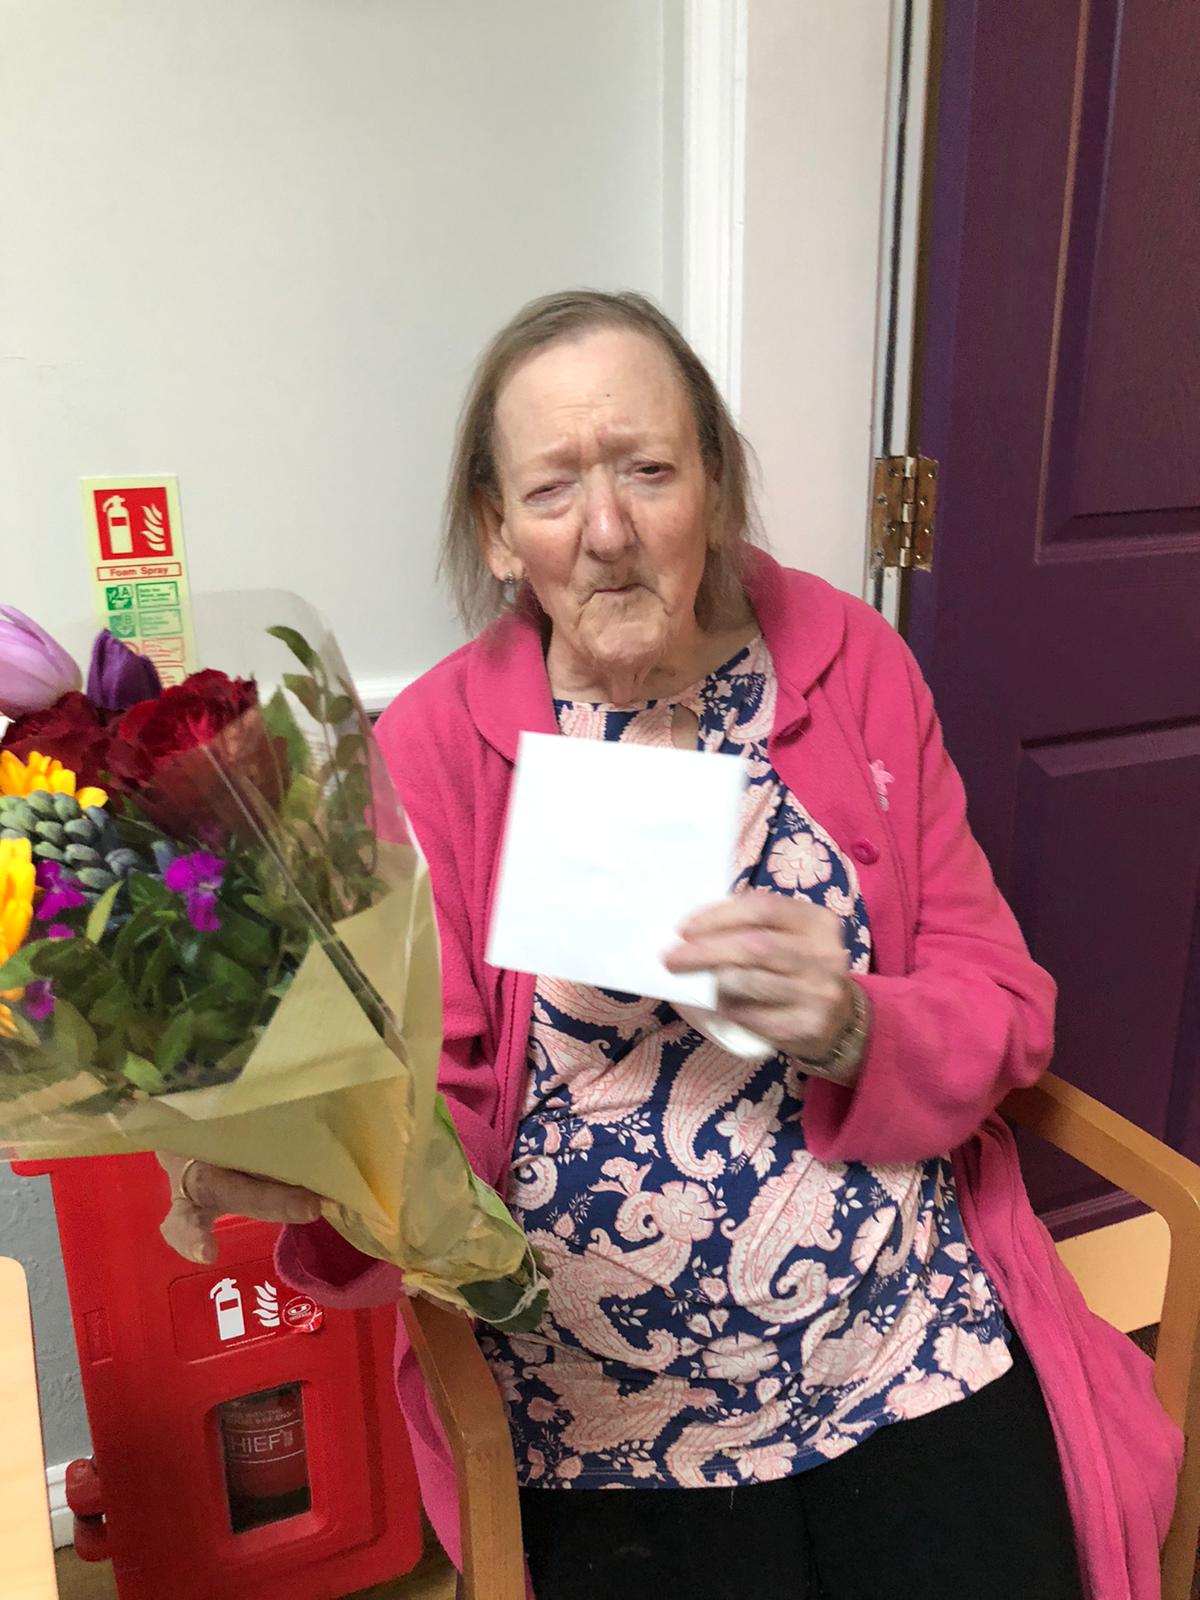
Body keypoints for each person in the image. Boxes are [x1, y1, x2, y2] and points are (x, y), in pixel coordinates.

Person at [160, 291, 1180, 1599]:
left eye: (648, 469)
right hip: (598, 1406)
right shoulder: (434, 751)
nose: (606, 529)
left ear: (715, 486)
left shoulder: (853, 668)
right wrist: (328, 1162)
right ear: (498, 529)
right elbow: (437, 1117)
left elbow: (1003, 1005)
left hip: (901, 1341)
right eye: (552, 489)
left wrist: (856, 1024)